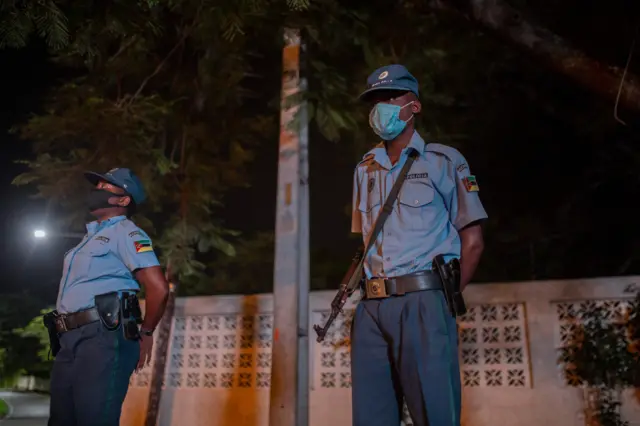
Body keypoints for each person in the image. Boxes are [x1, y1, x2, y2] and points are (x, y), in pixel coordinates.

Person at [349, 64, 487, 426]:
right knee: (370, 417)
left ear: (415, 106)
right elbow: (364, 241)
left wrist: (443, 299)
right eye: (377, 100)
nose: (383, 107)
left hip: (424, 301)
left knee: (434, 412)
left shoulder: (444, 161)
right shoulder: (365, 169)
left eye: (392, 97)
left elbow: (472, 242)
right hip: (371, 308)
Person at [47, 168, 170, 426]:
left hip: (103, 335)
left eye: (105, 187)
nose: (97, 191)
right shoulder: (89, 238)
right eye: (98, 186)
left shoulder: (128, 233)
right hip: (68, 337)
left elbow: (158, 287)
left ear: (124, 200)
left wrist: (146, 333)